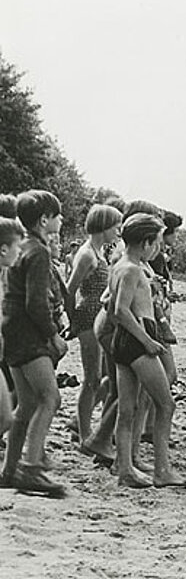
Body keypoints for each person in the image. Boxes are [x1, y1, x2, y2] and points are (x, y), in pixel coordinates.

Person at [0, 190, 69, 496]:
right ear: (45, 220)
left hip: (12, 331)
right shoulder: (39, 253)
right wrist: (53, 334)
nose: (61, 219)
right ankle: (32, 468)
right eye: (58, 215)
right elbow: (37, 303)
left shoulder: (23, 247)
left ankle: (10, 469)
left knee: (27, 403)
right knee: (50, 398)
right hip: (29, 334)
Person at [110, 213, 185, 487]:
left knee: (128, 408)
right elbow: (120, 310)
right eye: (156, 243)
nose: (159, 248)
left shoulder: (120, 266)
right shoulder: (132, 270)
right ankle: (162, 469)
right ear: (145, 243)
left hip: (123, 342)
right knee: (166, 404)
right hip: (137, 339)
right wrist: (147, 341)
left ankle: (125, 466)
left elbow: (111, 306)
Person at [66, 204, 122, 443]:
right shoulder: (88, 254)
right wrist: (71, 321)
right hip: (87, 318)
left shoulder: (98, 251)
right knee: (91, 378)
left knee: (100, 376)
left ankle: (82, 421)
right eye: (115, 226)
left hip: (94, 317)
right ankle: (84, 431)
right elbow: (69, 290)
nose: (118, 231)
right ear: (103, 227)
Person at [0, 217, 25, 436]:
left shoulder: (4, 277)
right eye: (18, 245)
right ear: (3, 249)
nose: (20, 251)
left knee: (6, 417)